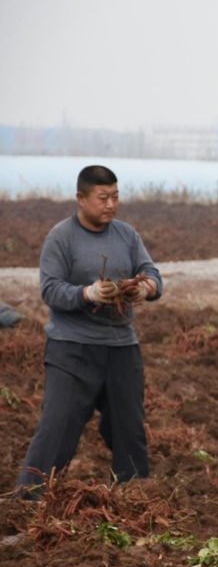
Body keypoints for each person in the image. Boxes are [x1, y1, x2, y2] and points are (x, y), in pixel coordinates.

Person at [14, 165, 163, 500]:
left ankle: (134, 498)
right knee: (57, 428)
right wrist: (87, 293)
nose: (111, 204)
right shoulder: (61, 237)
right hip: (72, 349)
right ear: (81, 198)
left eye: (115, 197)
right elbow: (50, 290)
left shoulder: (126, 235)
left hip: (122, 347)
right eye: (103, 197)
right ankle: (29, 500)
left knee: (129, 429)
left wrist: (146, 287)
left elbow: (150, 272)